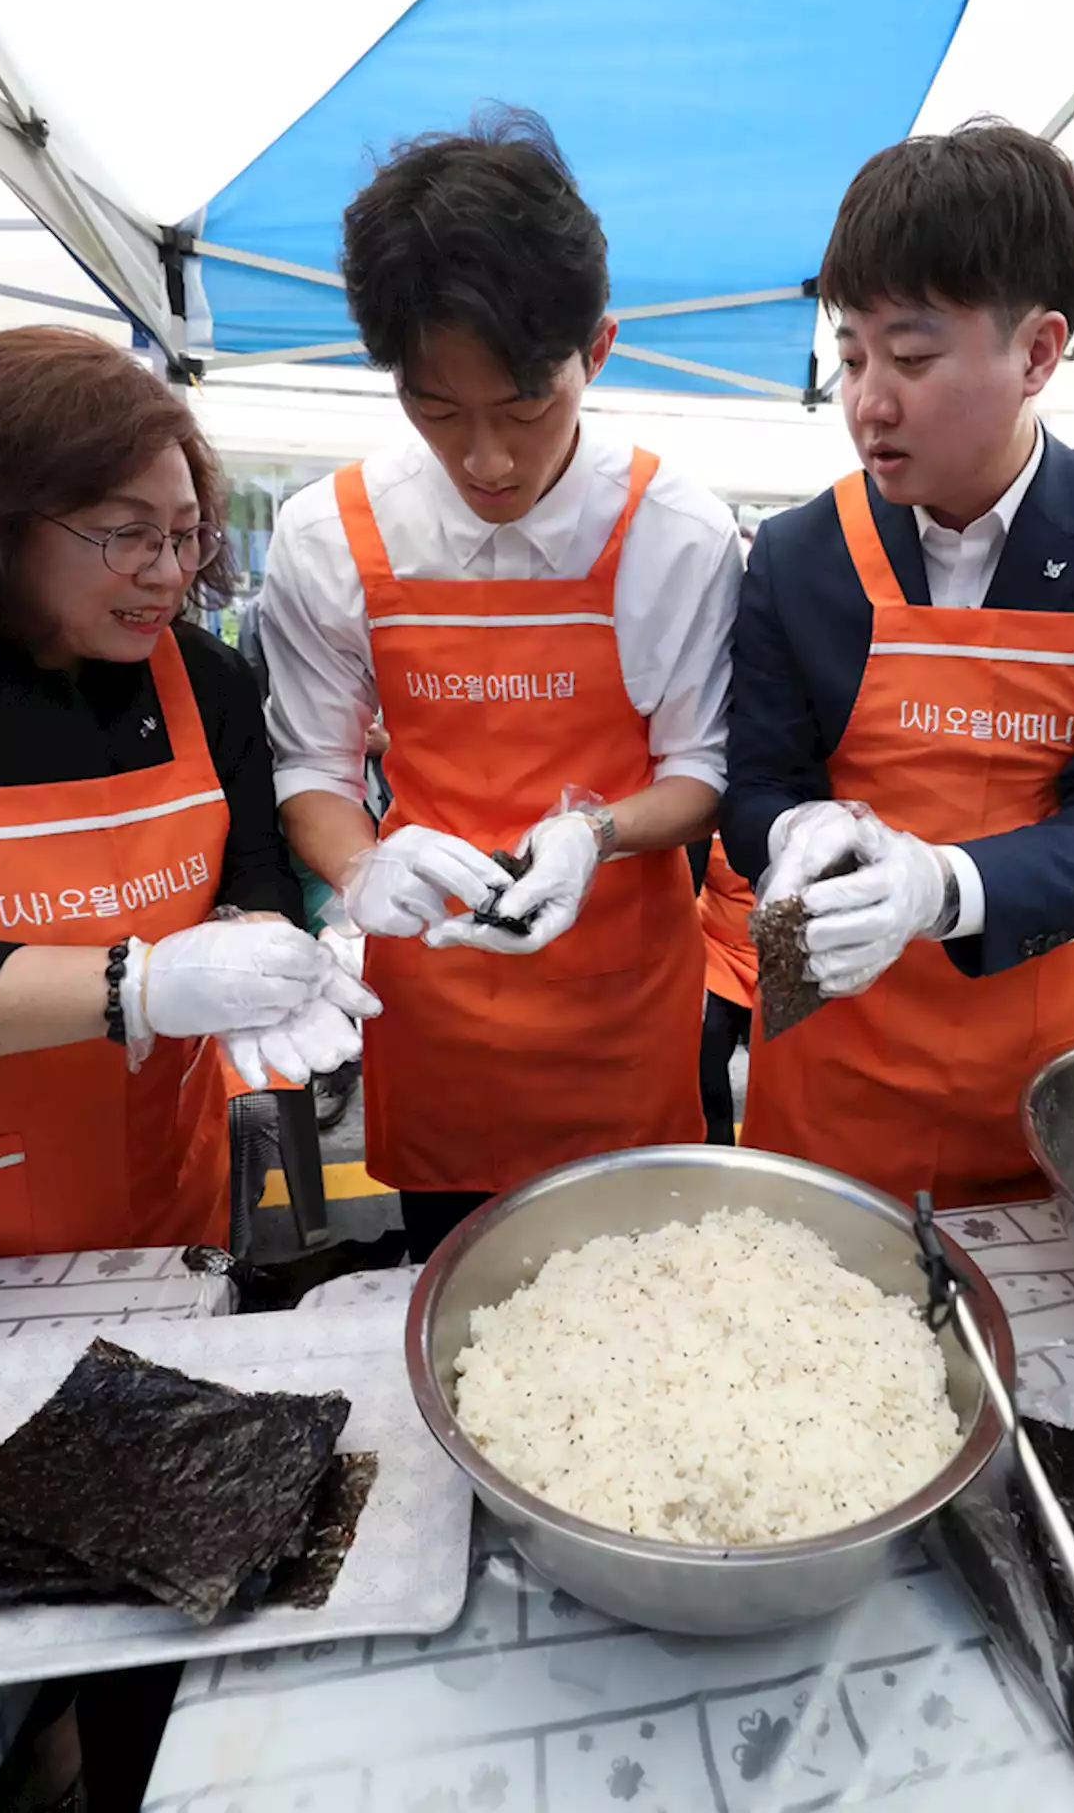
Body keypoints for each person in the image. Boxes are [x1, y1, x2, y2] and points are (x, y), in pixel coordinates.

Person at [723, 122, 1074, 1211]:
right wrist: (791, 831)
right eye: (851, 353)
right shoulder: (798, 552)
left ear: (1036, 353)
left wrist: (939, 886)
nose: (867, 399)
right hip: (830, 1066)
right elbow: (757, 784)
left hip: (1043, 1068)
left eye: (910, 358)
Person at [259, 109, 742, 1257]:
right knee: (459, 1293)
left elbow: (701, 769)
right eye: (437, 411)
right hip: (436, 1010)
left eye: (526, 407)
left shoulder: (672, 531)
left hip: (623, 1009)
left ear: (599, 350)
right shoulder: (329, 535)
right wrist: (360, 864)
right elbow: (313, 768)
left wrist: (592, 835)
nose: (485, 460)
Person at [0, 329, 379, 1257]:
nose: (168, 573)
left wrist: (265, 945)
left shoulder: (204, 681)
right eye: (126, 535)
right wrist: (140, 984)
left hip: (166, 1175)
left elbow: (254, 868)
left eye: (185, 534)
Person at [694, 832, 757, 1144]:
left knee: (777, 1072)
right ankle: (716, 1146)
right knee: (708, 1048)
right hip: (717, 949)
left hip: (779, 952)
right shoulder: (706, 808)